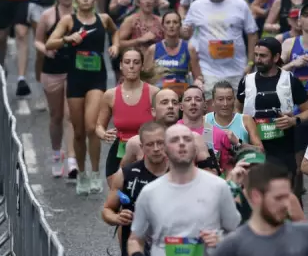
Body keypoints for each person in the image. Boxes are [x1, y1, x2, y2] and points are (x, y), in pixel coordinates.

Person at [45, 0, 120, 194]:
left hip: (97, 78)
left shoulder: (103, 19)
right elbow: (50, 43)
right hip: (76, 78)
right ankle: (82, 174)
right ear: (78, 0)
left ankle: (96, 173)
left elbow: (115, 33)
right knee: (78, 132)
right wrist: (68, 39)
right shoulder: (69, 20)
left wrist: (116, 46)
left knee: (91, 127)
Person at [127, 125, 241, 256]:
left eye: (187, 139)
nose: (181, 143)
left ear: (195, 148)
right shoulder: (149, 193)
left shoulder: (218, 187)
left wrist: (221, 240)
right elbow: (135, 239)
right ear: (165, 149)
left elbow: (236, 233)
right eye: (174, 140)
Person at [214, 163, 308, 256]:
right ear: (256, 197)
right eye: (278, 198)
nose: (286, 204)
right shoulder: (233, 245)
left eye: (287, 196)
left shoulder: (307, 234)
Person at [235, 37, 308, 178]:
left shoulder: (290, 80)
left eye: (263, 56)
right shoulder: (246, 80)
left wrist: (293, 120)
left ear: (276, 57)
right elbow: (237, 110)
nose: (258, 59)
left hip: (283, 147)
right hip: (254, 145)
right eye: (256, 55)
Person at [183, 0, 259, 99]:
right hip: (208, 70)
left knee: (238, 108)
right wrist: (184, 32)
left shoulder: (239, 4)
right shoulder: (197, 6)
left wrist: (251, 63)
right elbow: (185, 33)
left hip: (237, 69)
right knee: (212, 110)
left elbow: (252, 33)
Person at [102, 122, 169, 256]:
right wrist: (117, 218)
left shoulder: (180, 174)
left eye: (160, 143)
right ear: (141, 147)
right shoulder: (126, 174)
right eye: (150, 144)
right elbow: (107, 209)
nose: (156, 148)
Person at [33, 0, 77, 178]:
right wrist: (46, 51)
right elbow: (38, 41)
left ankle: (71, 159)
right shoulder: (48, 15)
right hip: (52, 70)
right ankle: (56, 153)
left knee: (71, 116)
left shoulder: (80, 14)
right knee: (56, 116)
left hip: (75, 70)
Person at [95, 48, 159, 184]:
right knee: (117, 196)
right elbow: (99, 126)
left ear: (141, 66)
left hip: (148, 150)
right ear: (120, 65)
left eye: (136, 62)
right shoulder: (110, 95)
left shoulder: (154, 93)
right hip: (119, 151)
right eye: (127, 62)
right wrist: (103, 134)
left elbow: (165, 124)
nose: (131, 66)